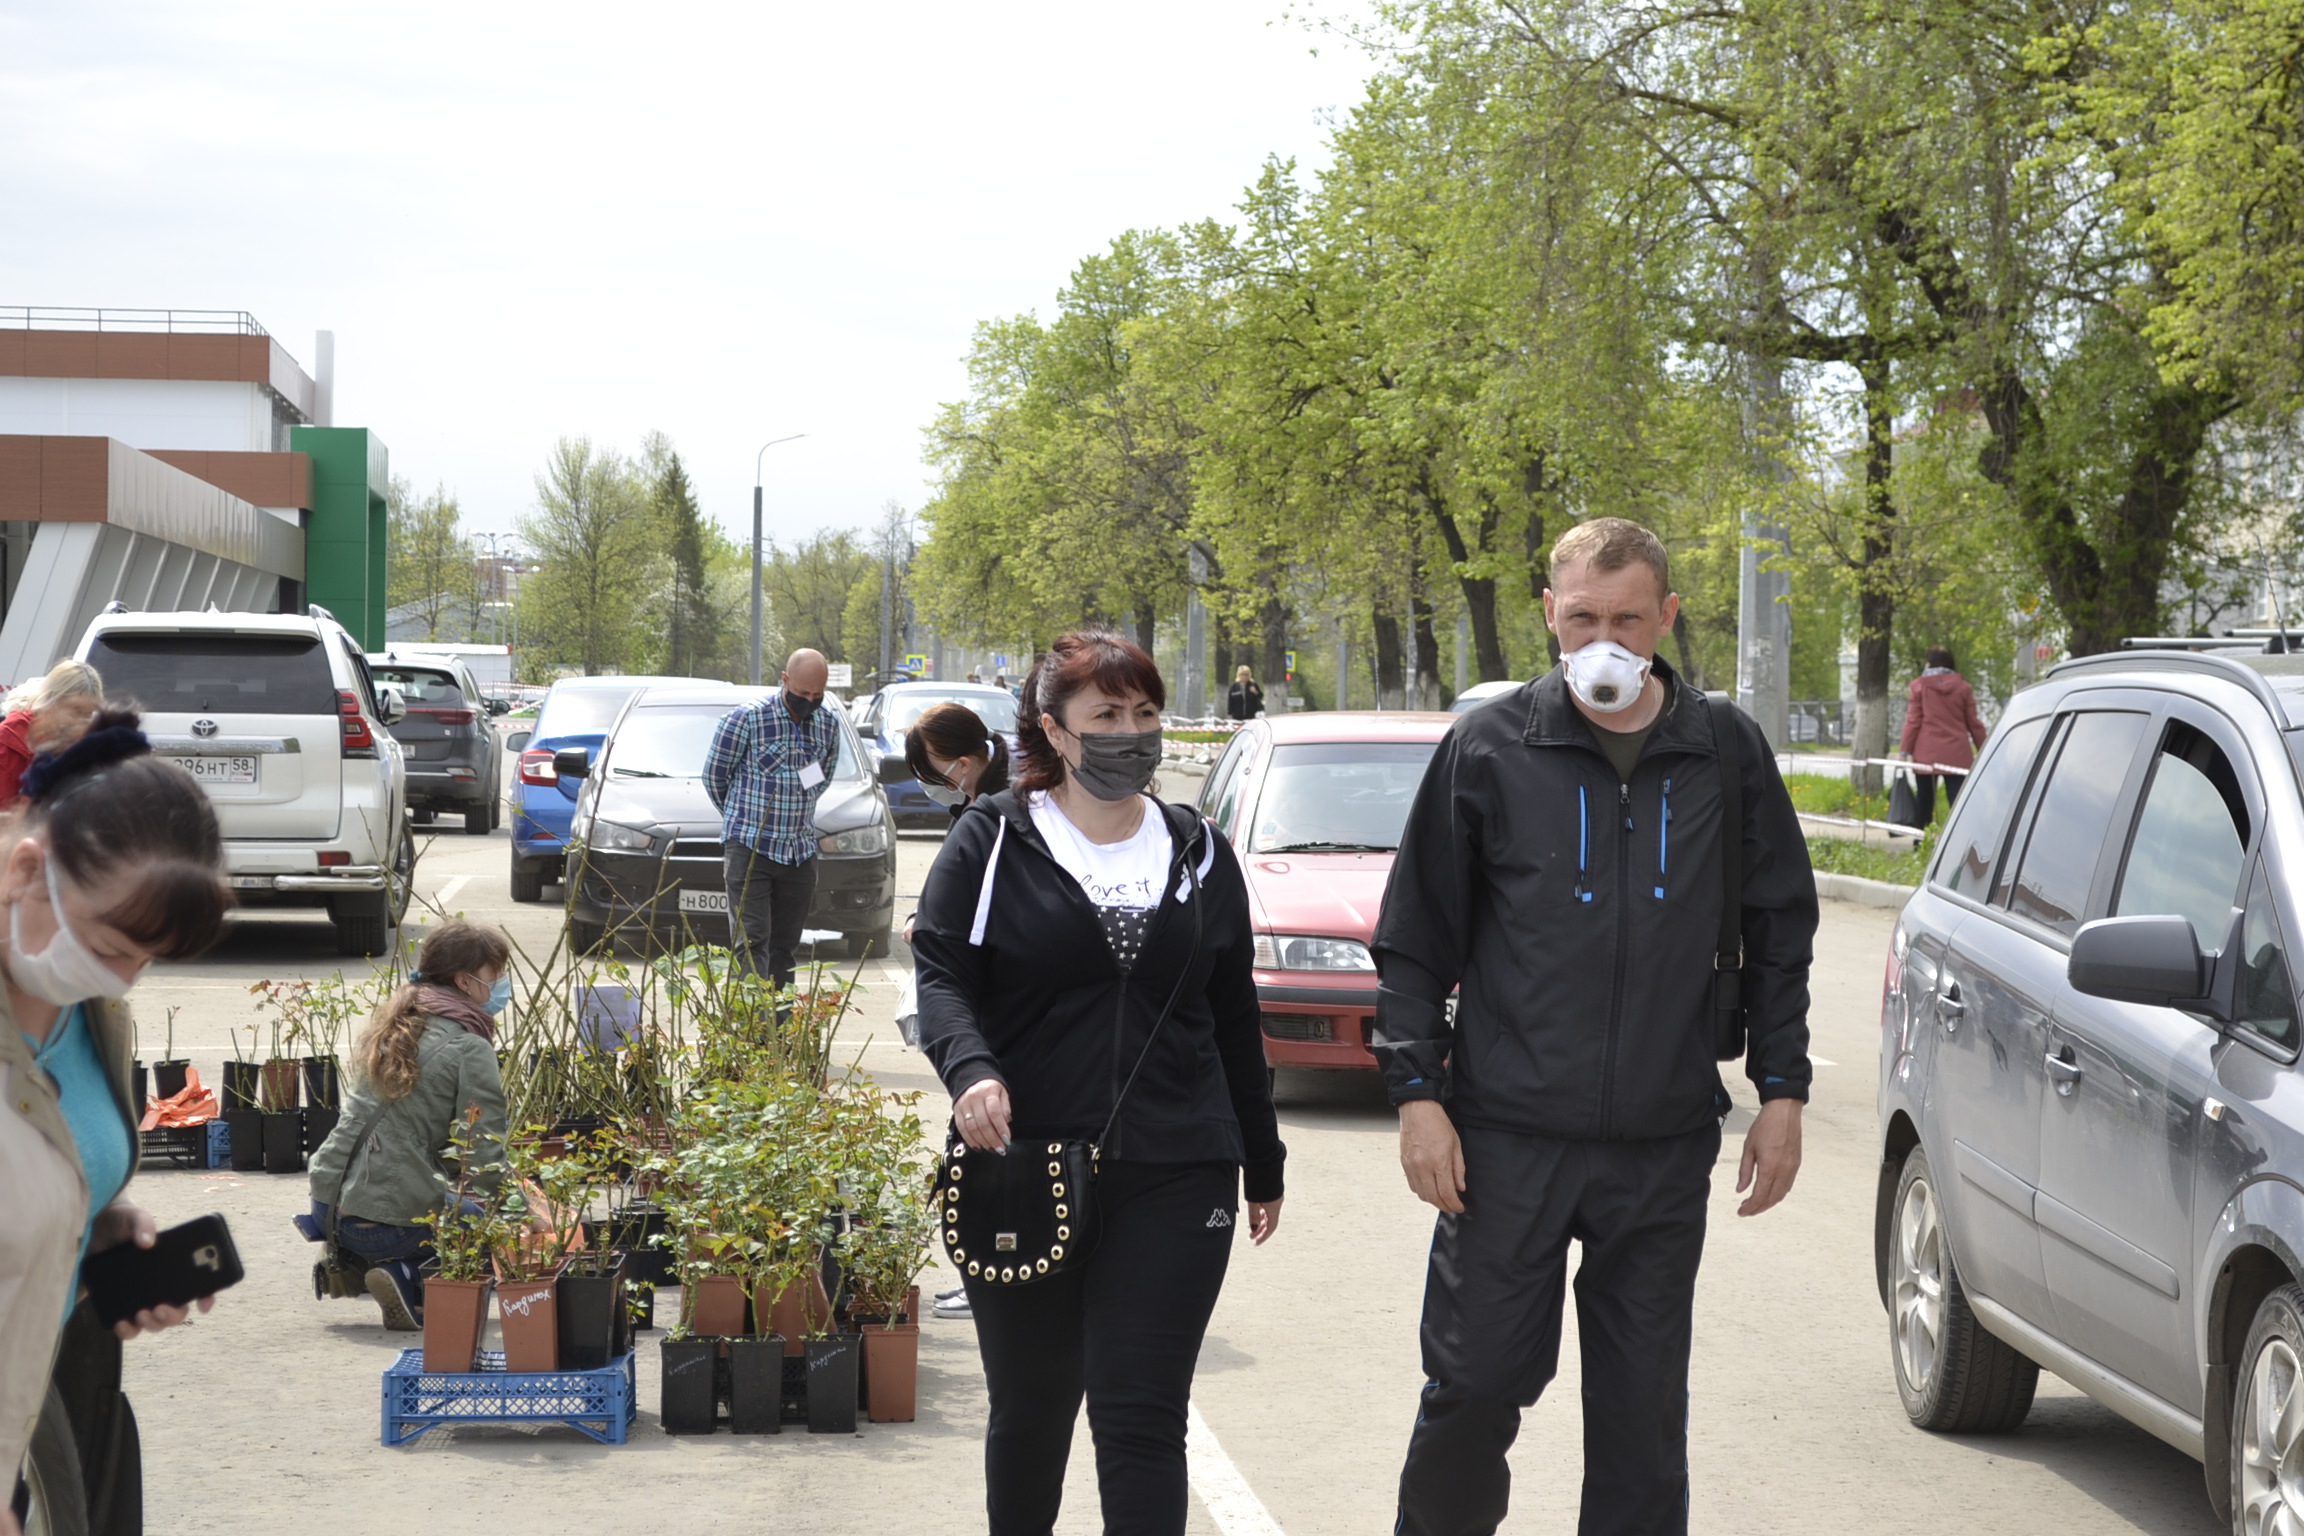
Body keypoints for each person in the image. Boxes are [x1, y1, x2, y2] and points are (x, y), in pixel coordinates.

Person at [1372, 518, 1817, 1536]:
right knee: (1474, 1389)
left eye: (1627, 618)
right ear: (1550, 617)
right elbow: (1414, 939)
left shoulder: (1723, 750)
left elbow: (1778, 929)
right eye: (1583, 619)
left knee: (1643, 1419)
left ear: (1665, 617)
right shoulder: (1489, 748)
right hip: (1504, 1145)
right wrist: (1417, 1098)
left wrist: (1781, 1094)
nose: (1603, 639)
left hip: (1660, 1150)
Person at [913, 629, 1284, 1536]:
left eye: (1146, 713)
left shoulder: (1198, 851)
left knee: (1140, 1415)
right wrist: (971, 1070)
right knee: (1034, 1413)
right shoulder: (993, 838)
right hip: (1024, 1163)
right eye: (1107, 715)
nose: (1132, 732)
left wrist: (1261, 1159)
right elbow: (940, 973)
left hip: (1180, 1165)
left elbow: (1232, 1012)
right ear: (1055, 729)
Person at [0, 710, 234, 1533]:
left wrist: (94, 1224)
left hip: (44, 1408)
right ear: (31, 871)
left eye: (147, 957)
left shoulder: (86, 1008)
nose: (124, 978)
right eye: (111, 944)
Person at [307, 921, 513, 1330]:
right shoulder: (468, 1047)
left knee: (418, 1187)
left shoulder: (396, 1023)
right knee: (484, 1229)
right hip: (385, 1223)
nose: (501, 986)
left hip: (327, 1207)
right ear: (465, 982)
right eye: (495, 977)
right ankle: (407, 1275)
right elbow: (482, 1151)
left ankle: (360, 1257)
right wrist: (521, 1213)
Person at [900, 699, 1015, 1322]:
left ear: (966, 762)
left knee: (989, 1136)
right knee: (984, 1136)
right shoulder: (977, 801)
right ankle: (987, 1269)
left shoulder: (1005, 808)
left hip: (998, 1001)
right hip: (978, 991)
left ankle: (993, 1268)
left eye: (937, 773)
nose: (932, 786)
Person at [703, 648, 838, 990]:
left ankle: (780, 1034)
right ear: (785, 680)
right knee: (751, 945)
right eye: (802, 693)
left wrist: (793, 813)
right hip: (750, 848)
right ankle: (751, 1035)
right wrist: (743, 819)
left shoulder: (827, 725)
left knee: (784, 948)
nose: (809, 701)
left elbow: (819, 779)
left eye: (817, 695)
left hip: (799, 852)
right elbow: (715, 778)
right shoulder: (746, 719)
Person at [1900, 644, 1988, 827]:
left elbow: (1913, 721)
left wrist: (1904, 750)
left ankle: (1920, 842)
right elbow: (1974, 724)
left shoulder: (1918, 686)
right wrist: (1986, 748)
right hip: (1957, 754)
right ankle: (1961, 840)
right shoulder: (1964, 688)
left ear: (1929, 663)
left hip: (1926, 755)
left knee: (1924, 800)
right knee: (1958, 802)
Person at [0, 660, 105, 807]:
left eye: (88, 714)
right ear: (51, 700)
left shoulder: (84, 747)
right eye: (76, 711)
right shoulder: (10, 739)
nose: (81, 721)